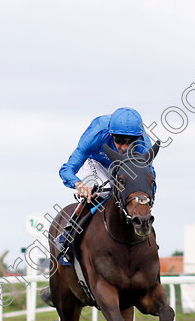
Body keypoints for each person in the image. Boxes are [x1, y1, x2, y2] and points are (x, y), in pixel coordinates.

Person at [56, 107, 156, 255]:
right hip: (96, 163)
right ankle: (70, 232)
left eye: (130, 142)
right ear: (110, 134)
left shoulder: (143, 144)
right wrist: (79, 184)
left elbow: (150, 178)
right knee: (101, 192)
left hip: (125, 166)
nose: (123, 147)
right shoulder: (96, 133)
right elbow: (66, 170)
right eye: (119, 141)